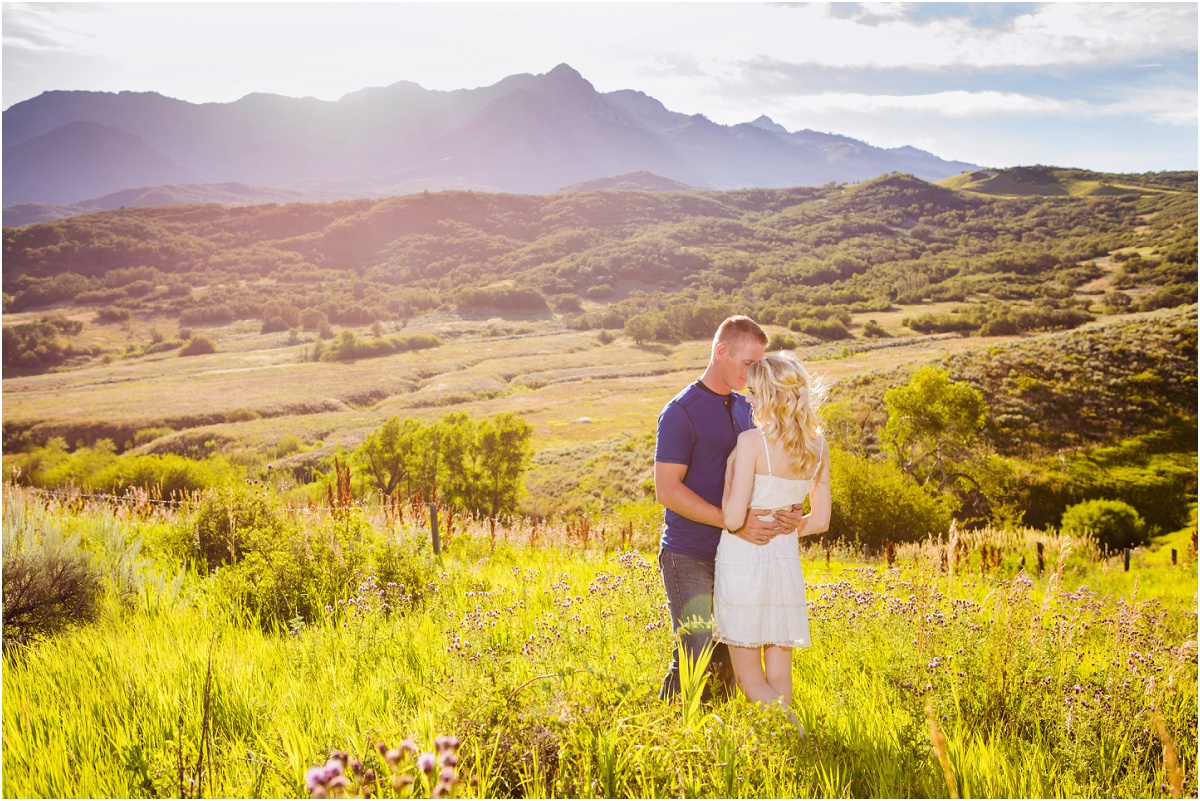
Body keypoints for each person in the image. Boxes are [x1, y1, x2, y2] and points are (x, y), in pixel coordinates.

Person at [653, 316, 805, 701]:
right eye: (749, 364)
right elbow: (667, 491)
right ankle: (668, 726)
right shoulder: (680, 412)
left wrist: (790, 506)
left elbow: (772, 467)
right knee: (698, 644)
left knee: (734, 651)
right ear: (721, 352)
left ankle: (720, 736)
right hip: (689, 551)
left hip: (742, 556)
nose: (755, 374)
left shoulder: (748, 407)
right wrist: (733, 523)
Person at [714, 351, 830, 722]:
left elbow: (733, 518)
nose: (748, 398)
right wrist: (794, 522)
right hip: (784, 564)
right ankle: (784, 750)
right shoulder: (817, 446)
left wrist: (730, 480)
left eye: (753, 392)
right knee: (779, 674)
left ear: (770, 396)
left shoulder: (752, 442)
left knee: (749, 680)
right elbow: (821, 520)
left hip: (743, 563)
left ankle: (796, 734)